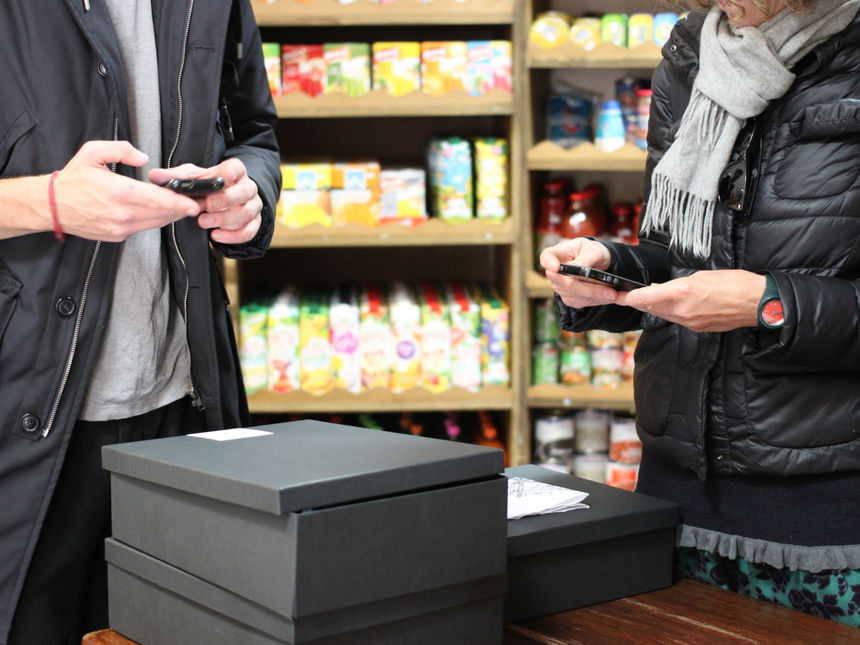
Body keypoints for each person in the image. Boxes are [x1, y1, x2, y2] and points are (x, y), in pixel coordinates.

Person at [540, 0, 860, 627]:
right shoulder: (693, 52)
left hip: (830, 516)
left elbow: (746, 286)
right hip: (678, 493)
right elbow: (679, 253)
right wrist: (611, 268)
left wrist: (765, 305)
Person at [0, 1, 281, 643]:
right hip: (24, 410)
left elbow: (253, 133)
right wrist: (43, 201)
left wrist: (249, 198)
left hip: (186, 400)